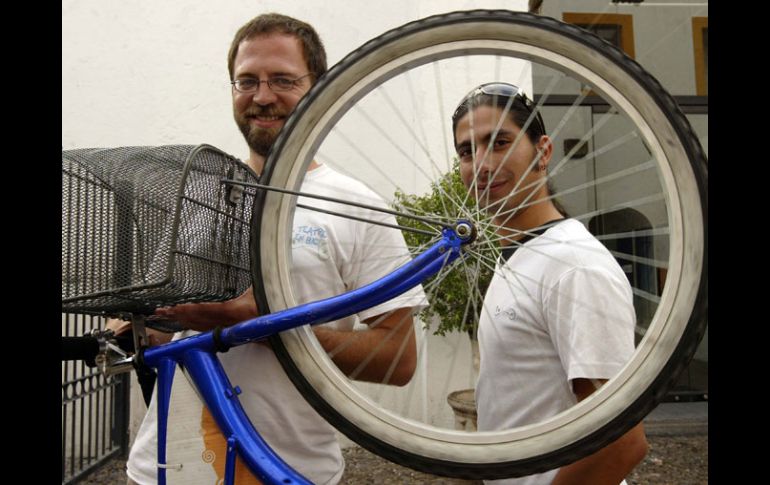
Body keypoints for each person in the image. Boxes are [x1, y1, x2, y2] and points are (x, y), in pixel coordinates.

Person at [122, 13, 425, 485]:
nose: (262, 97)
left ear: (319, 89)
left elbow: (398, 358)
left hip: (289, 470)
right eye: (247, 81)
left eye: (282, 80)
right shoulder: (196, 197)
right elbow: (169, 331)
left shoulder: (358, 205)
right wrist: (146, 325)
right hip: (168, 469)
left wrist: (253, 323)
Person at [451, 82, 649, 484]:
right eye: (467, 151)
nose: (482, 164)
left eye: (499, 142)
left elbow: (621, 443)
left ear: (543, 151)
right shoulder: (521, 255)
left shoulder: (574, 265)